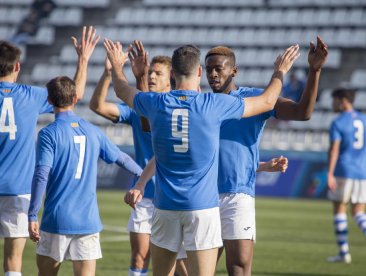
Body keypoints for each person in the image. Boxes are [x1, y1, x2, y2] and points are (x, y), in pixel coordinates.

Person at [104, 39, 299, 276]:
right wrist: (280, 72)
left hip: (165, 206)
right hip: (202, 207)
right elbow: (268, 101)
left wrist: (116, 66)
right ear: (199, 71)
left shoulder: (155, 102)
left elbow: (121, 90)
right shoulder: (214, 104)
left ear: (173, 74)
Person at [0, 26, 98, 276]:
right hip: (20, 191)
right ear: (17, 67)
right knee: (13, 262)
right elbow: (75, 94)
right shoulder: (31, 95)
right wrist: (83, 60)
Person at [204, 36, 328, 276]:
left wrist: (314, 70)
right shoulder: (203, 102)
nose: (213, 74)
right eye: (209, 70)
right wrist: (260, 166)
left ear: (234, 71)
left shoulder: (257, 99)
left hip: (238, 195)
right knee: (192, 270)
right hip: (202, 195)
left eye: (219, 68)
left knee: (238, 268)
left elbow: (303, 113)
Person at [27, 76, 143, 276]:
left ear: (49, 100)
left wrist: (31, 214)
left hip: (57, 219)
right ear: (75, 98)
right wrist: (143, 176)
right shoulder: (93, 131)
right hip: (87, 222)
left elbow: (41, 174)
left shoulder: (48, 134)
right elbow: (122, 159)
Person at [90, 41, 187, 276]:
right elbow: (97, 106)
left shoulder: (180, 109)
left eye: (158, 73)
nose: (152, 76)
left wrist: (138, 77)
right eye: (150, 72)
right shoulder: (137, 108)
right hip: (144, 196)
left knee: (181, 266)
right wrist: (108, 72)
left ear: (170, 78)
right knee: (140, 256)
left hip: (175, 194)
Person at [327, 88, 366, 264]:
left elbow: (335, 148)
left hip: (344, 170)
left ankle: (344, 253)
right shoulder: (364, 120)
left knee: (339, 209)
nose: (332, 104)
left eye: (334, 100)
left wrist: (329, 173)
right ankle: (343, 254)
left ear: (343, 100)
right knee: (359, 212)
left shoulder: (338, 122)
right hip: (362, 171)